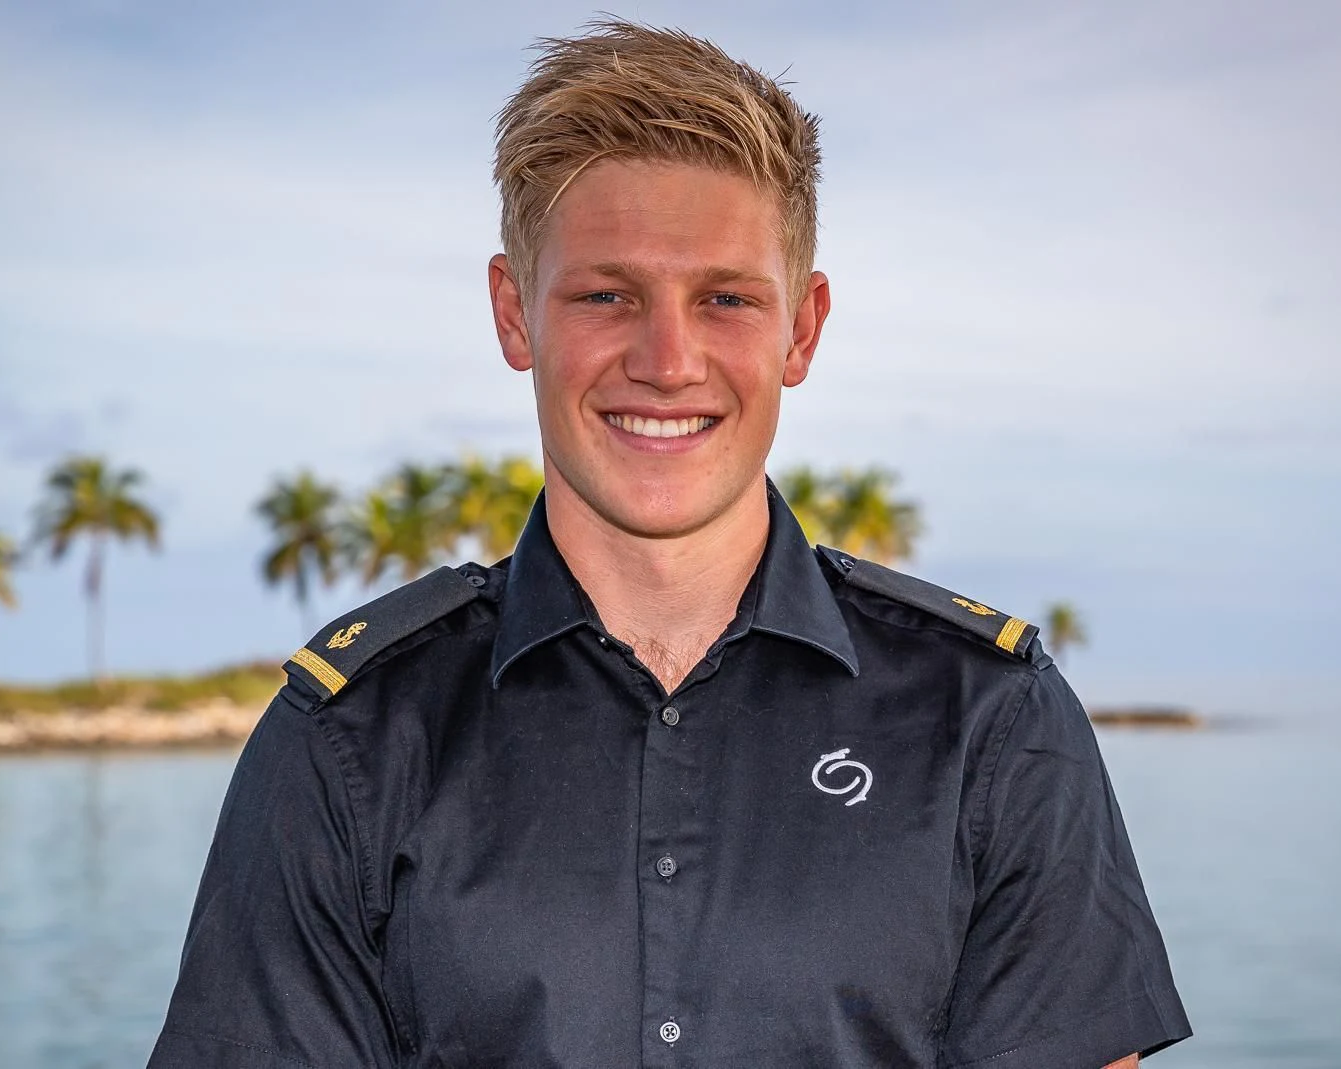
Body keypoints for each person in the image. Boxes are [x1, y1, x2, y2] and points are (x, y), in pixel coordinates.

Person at [149, 20, 1190, 1069]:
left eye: (725, 299)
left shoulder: (990, 720)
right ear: (515, 315)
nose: (667, 359)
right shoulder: (351, 734)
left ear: (802, 330)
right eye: (608, 295)